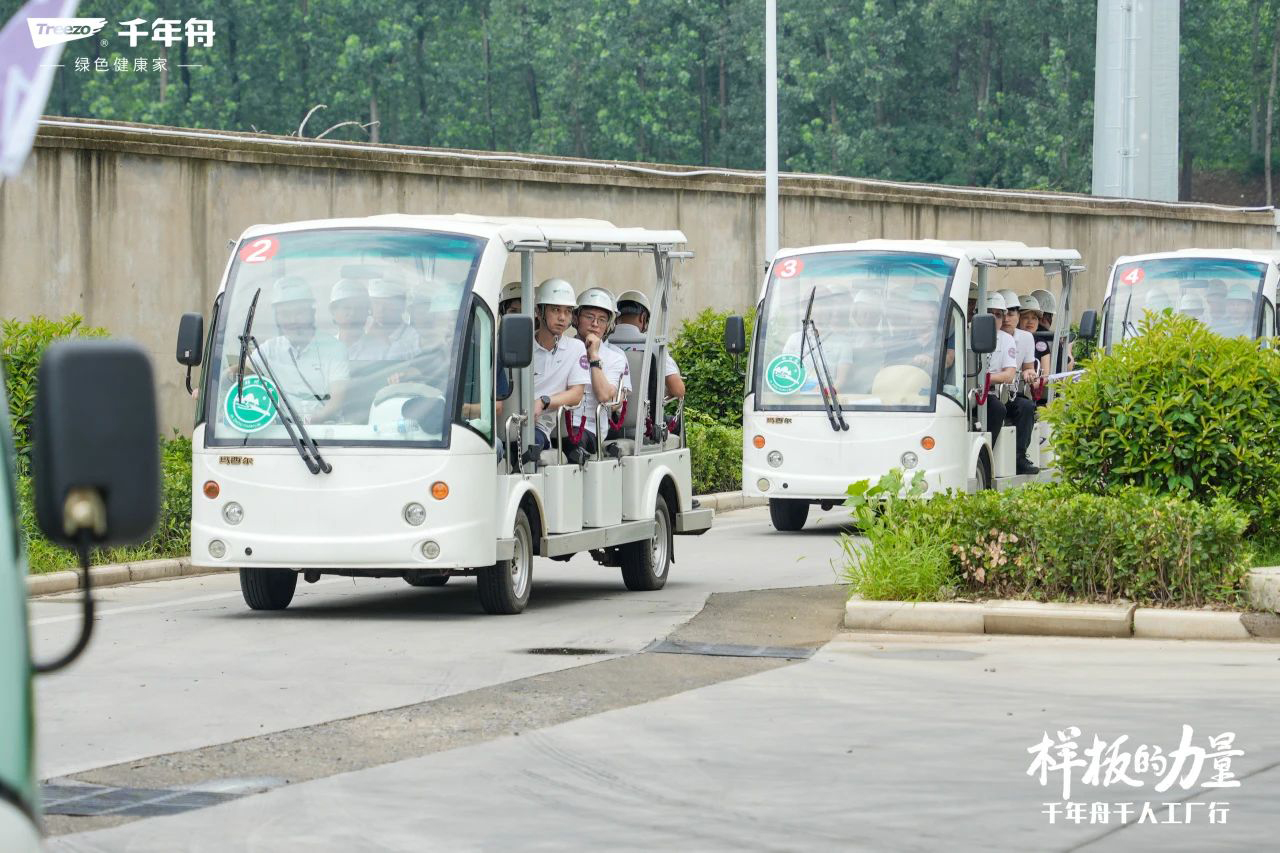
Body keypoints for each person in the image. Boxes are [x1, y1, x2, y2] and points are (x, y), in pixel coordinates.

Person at [255, 276, 349, 423]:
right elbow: (241, 372)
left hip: (326, 433)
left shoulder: (334, 348)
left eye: (299, 313)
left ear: (312, 313)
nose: (292, 320)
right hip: (283, 434)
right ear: (276, 318)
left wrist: (311, 420)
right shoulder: (269, 349)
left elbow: (336, 401)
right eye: (285, 314)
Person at [564, 287, 632, 458]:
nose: (595, 324)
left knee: (571, 440)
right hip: (555, 423)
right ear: (576, 318)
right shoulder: (562, 348)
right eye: (589, 317)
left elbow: (605, 397)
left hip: (589, 429)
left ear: (608, 325)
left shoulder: (616, 357)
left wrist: (593, 355)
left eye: (602, 319)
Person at [530, 278, 588, 455]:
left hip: (539, 426)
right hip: (508, 420)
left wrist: (543, 402)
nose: (562, 317)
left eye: (568, 311)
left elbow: (576, 395)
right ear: (539, 312)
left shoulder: (576, 347)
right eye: (555, 310)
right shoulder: (521, 343)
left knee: (527, 444)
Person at [985, 292, 1038, 475]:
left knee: (1026, 406)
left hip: (1003, 391)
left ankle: (1019, 458)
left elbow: (1011, 374)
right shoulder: (968, 333)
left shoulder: (1010, 339)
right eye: (990, 314)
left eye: (1000, 314)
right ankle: (984, 458)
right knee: (997, 408)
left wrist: (986, 379)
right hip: (974, 392)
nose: (1000, 319)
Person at [611, 289, 686, 400]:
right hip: (643, 415)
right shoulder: (654, 345)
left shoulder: (603, 342)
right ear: (643, 317)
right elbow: (678, 390)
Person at [351, 277, 416, 363]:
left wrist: (382, 338)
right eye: (376, 303)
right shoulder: (364, 335)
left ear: (402, 306)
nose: (381, 309)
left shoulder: (413, 336)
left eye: (388, 304)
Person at [329, 278, 370, 352]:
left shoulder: (381, 351)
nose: (352, 313)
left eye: (359, 308)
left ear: (367, 312)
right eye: (346, 308)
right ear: (333, 311)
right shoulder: (322, 351)